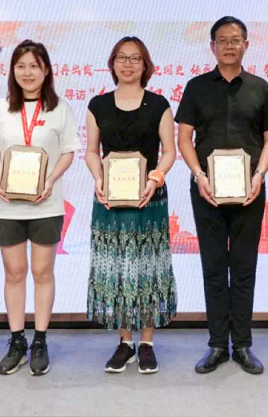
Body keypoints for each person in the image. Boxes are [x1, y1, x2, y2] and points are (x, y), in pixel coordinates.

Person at [176, 16, 268, 375]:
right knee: (214, 268)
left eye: (236, 39)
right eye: (223, 40)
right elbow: (184, 139)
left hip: (250, 192)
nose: (230, 45)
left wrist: (260, 175)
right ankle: (218, 344)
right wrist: (199, 175)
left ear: (246, 45)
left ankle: (244, 345)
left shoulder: (260, 88)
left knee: (245, 268)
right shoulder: (196, 87)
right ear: (212, 46)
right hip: (207, 192)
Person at [0, 40, 81, 376]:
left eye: (34, 66)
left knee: (42, 273)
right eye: (21, 66)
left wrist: (50, 180)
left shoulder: (60, 108)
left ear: (46, 70)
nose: (27, 73)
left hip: (45, 204)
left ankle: (40, 340)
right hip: (7, 205)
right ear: (12, 71)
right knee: (14, 273)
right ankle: (16, 341)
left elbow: (68, 151)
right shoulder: (1, 108)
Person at [85, 36, 178, 375]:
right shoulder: (97, 105)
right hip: (110, 199)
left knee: (148, 268)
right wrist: (98, 178)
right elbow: (91, 151)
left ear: (145, 65)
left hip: (149, 199)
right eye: (121, 58)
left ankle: (147, 343)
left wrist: (156, 177)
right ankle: (125, 342)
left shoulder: (159, 104)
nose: (128, 64)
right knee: (118, 268)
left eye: (135, 58)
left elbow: (169, 151)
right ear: (112, 64)